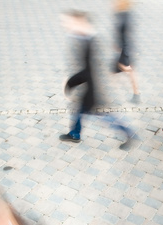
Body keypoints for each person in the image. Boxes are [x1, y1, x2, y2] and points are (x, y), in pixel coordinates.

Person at [59, 10, 134, 149]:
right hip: (88, 86)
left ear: (80, 22)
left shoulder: (92, 41)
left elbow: (90, 71)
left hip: (94, 89)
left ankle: (128, 132)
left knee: (104, 116)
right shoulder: (82, 38)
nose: (65, 25)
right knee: (78, 110)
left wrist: (70, 83)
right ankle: (74, 134)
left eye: (68, 22)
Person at [111, 0, 140, 103]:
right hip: (125, 49)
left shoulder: (124, 16)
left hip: (124, 51)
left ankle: (133, 94)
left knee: (125, 70)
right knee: (116, 71)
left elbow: (125, 36)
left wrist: (124, 52)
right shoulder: (122, 14)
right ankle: (135, 94)